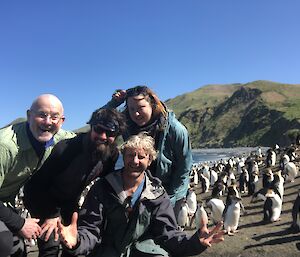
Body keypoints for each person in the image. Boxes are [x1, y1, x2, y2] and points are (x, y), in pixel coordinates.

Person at [58, 133, 224, 257]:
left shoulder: (157, 194)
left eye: (141, 156)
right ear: (123, 156)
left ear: (150, 160)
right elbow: (90, 230)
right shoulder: (102, 188)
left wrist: (195, 242)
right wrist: (76, 243)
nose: (135, 161)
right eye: (130, 155)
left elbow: (168, 234)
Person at [23, 108, 127, 257]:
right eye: (99, 130)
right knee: (51, 243)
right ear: (91, 127)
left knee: (73, 243)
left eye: (110, 134)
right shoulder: (66, 149)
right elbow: (37, 186)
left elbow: (107, 183)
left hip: (69, 201)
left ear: (116, 136)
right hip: (41, 198)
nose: (103, 136)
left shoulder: (111, 154)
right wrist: (52, 215)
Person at [0, 94, 76, 257]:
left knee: (31, 243)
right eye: (42, 115)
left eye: (54, 117)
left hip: (10, 201)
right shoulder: (6, 147)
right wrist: (20, 223)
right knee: (4, 242)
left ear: (62, 121)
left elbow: (94, 134)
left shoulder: (60, 137)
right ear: (29, 115)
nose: (48, 122)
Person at [103, 85, 193, 217]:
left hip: (169, 190)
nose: (136, 113)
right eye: (132, 108)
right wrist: (114, 103)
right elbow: (100, 122)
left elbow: (184, 168)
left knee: (165, 232)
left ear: (152, 104)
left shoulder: (175, 129)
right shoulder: (127, 124)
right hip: (140, 189)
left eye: (141, 107)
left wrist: (169, 199)